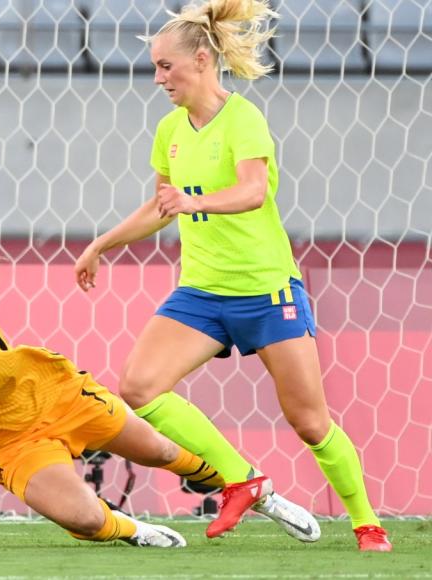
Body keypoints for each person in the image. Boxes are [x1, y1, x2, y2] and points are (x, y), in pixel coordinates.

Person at [73, 0, 390, 552]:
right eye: (154, 67)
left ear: (200, 60)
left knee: (310, 422)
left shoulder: (243, 118)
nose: (158, 78)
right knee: (139, 386)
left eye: (165, 66)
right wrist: (104, 242)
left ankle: (368, 525)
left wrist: (192, 201)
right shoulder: (171, 129)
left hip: (267, 292)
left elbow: (252, 192)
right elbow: (162, 207)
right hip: (201, 294)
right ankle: (243, 478)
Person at [0, 252, 318, 547]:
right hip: (9, 448)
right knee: (84, 518)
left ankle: (261, 495)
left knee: (164, 452)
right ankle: (131, 531)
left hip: (61, 398)